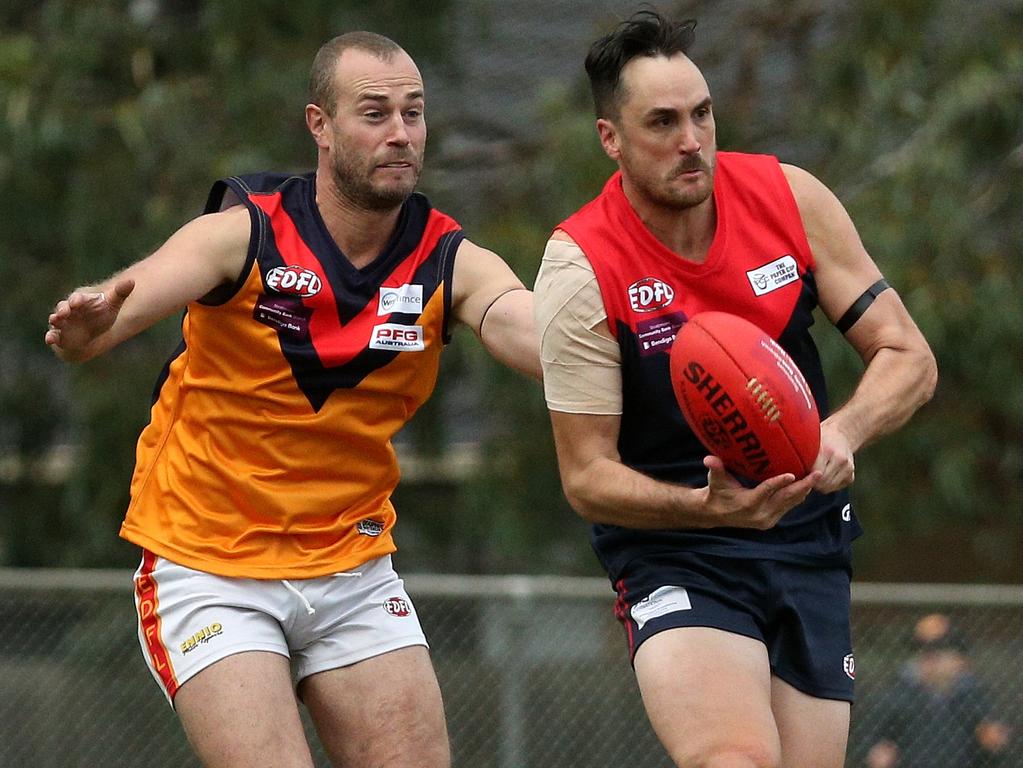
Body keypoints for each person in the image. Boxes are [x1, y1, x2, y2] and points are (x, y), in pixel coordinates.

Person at [45, 31, 538, 768]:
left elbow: (530, 330)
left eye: (414, 112)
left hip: (353, 567)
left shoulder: (447, 258)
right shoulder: (243, 234)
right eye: (374, 113)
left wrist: (615, 345)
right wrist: (87, 326)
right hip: (207, 565)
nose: (400, 133)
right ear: (320, 126)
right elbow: (116, 312)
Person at [533, 10, 936, 768]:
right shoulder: (579, 263)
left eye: (701, 114)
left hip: (809, 538)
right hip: (680, 553)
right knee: (732, 757)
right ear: (609, 139)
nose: (690, 140)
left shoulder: (788, 198)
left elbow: (909, 357)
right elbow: (585, 476)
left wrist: (839, 433)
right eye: (662, 121)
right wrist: (701, 507)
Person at [862, 613, 1011, 768]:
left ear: (960, 659)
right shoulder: (895, 695)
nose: (927, 658)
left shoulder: (976, 696)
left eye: (936, 652)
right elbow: (868, 740)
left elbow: (999, 745)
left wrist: (994, 744)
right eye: (922, 650)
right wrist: (876, 752)